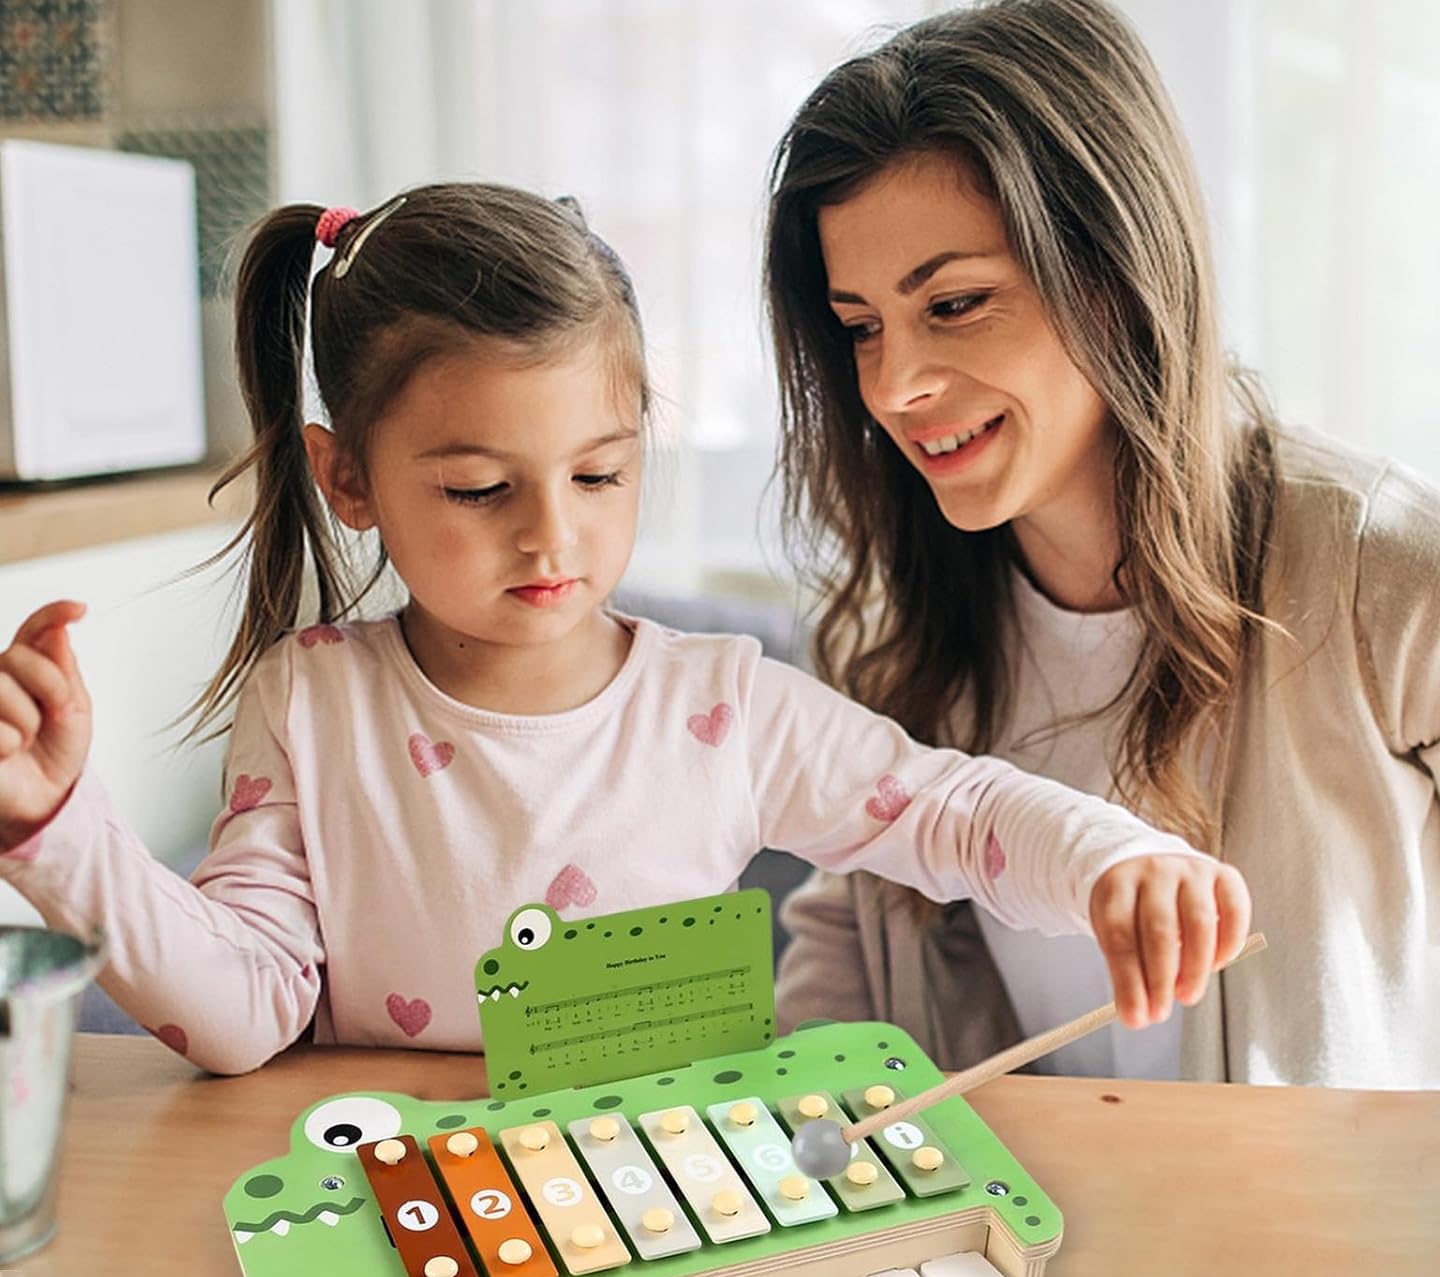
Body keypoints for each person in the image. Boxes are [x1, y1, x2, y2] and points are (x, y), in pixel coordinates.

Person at [0, 182, 1248, 1076]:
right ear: (350, 478)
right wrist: (57, 832)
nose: (553, 537)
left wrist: (1109, 858)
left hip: (670, 1224)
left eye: (599, 475)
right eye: (479, 490)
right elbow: (239, 1015)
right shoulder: (313, 702)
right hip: (413, 1226)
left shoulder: (725, 706)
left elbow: (955, 813)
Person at [764, 0, 1440, 1091]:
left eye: (955, 304)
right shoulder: (891, 636)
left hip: (1340, 1208)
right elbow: (851, 931)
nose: (895, 385)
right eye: (861, 326)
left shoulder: (1397, 578)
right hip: (1026, 1207)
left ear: (1116, 271)